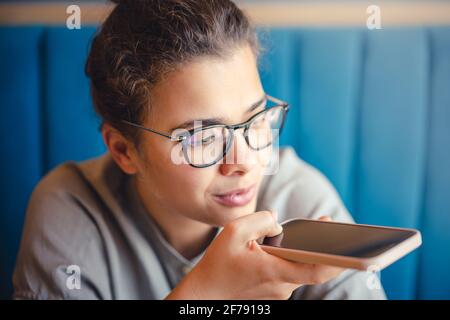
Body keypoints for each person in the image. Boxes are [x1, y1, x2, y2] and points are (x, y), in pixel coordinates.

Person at [13, 0, 386, 300]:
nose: (244, 162)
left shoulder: (298, 198)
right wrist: (206, 295)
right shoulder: (70, 210)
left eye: (256, 120)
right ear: (124, 150)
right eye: (203, 138)